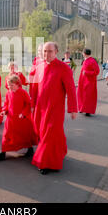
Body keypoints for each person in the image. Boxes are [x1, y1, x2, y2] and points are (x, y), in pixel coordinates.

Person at [31, 42, 78, 175]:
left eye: (50, 51)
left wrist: (73, 109)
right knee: (43, 132)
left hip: (55, 108)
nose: (47, 54)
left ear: (56, 51)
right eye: (45, 51)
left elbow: (70, 89)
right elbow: (34, 87)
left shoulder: (64, 68)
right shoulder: (39, 66)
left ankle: (45, 162)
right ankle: (60, 151)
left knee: (50, 134)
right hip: (41, 107)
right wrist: (32, 105)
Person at [0, 75, 37, 162]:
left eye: (12, 85)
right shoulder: (8, 93)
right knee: (6, 135)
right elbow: (6, 104)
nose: (10, 87)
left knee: (24, 135)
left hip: (22, 119)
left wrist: (24, 113)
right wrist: (4, 111)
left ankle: (30, 149)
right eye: (8, 85)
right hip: (10, 119)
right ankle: (3, 152)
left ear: (17, 84)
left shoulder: (23, 92)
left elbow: (28, 104)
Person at [77, 49, 100, 116]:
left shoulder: (92, 61)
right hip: (83, 81)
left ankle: (88, 111)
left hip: (89, 82)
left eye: (82, 53)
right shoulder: (85, 60)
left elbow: (97, 71)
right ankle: (81, 108)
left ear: (85, 53)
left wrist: (87, 72)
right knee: (81, 94)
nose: (82, 54)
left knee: (88, 96)